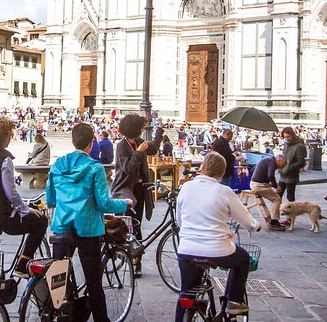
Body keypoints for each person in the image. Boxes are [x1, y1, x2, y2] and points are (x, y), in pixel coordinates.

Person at [47, 123, 132, 322]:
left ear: (73, 141)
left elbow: (51, 200)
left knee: (58, 279)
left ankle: (54, 312)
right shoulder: (95, 168)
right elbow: (103, 203)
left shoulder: (58, 165)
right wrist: (124, 203)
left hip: (61, 226)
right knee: (93, 280)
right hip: (87, 229)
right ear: (90, 143)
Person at [174, 152, 260, 321]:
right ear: (221, 173)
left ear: (202, 168)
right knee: (242, 259)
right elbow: (247, 220)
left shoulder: (186, 188)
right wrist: (255, 226)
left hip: (187, 249)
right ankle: (233, 301)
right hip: (218, 250)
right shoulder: (224, 191)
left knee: (186, 294)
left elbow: (179, 220)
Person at [0, 117, 48, 277]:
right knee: (40, 222)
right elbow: (10, 192)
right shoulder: (4, 159)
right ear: (5, 136)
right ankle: (23, 263)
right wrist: (25, 209)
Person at [111, 113, 163, 278]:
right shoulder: (122, 146)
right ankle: (129, 255)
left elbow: (153, 148)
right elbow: (128, 168)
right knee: (130, 225)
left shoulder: (140, 142)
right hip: (125, 189)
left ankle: (136, 260)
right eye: (140, 127)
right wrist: (139, 153)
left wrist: (159, 131)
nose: (142, 130)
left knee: (137, 224)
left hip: (140, 189)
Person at [249, 154, 287, 231]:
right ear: (279, 160)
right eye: (283, 163)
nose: (283, 166)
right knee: (277, 199)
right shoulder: (272, 162)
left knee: (274, 197)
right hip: (258, 185)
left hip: (254, 183)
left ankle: (273, 219)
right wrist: (276, 186)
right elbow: (270, 175)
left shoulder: (267, 159)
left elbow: (253, 169)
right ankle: (273, 222)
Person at [276, 127, 307, 204]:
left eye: (288, 136)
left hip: (291, 174)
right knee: (278, 195)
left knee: (290, 197)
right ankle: (276, 213)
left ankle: (291, 215)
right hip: (283, 173)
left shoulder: (299, 146)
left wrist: (290, 167)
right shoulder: (286, 145)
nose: (287, 138)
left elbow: (301, 162)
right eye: (285, 137)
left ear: (292, 135)